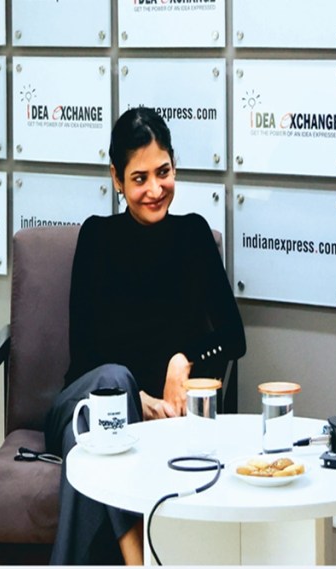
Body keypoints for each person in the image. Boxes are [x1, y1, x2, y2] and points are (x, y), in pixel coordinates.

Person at [44, 107, 246, 565]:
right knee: (110, 388)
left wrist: (183, 360)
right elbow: (86, 358)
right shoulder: (96, 237)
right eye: (139, 179)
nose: (155, 190)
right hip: (83, 407)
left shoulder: (194, 235)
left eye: (164, 172)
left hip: (154, 427)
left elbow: (234, 337)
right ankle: (141, 560)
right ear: (116, 178)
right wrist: (137, 399)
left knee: (99, 448)